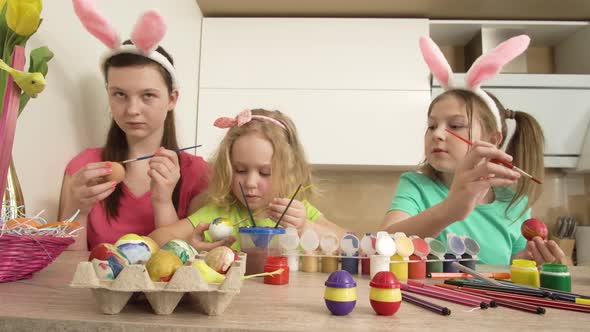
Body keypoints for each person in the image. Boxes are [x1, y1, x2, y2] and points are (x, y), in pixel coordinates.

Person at [381, 35, 564, 265]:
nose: (437, 134)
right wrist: (450, 209)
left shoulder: (514, 202)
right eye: (431, 125)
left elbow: (510, 264)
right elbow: (384, 244)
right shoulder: (417, 185)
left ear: (492, 139)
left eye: (456, 126)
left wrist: (531, 262)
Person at [60, 4, 208, 250]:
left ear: (172, 99)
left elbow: (189, 267)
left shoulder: (198, 174)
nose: (132, 110)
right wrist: (75, 209)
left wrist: (163, 202)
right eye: (119, 94)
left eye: (148, 95)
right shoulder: (84, 169)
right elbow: (68, 270)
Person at [150, 109, 348, 252]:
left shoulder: (295, 213)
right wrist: (189, 248)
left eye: (265, 172)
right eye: (240, 170)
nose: (251, 182)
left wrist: (306, 226)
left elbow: (349, 242)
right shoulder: (220, 214)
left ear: (288, 170)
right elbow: (157, 239)